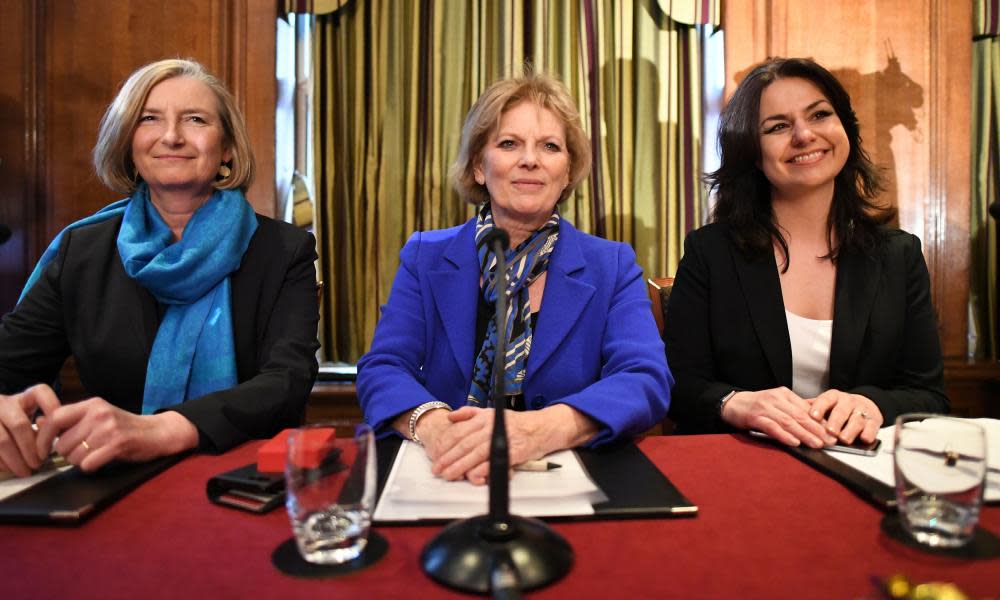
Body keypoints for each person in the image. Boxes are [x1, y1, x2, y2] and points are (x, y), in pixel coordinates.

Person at [0, 59, 320, 476]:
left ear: (227, 148)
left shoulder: (284, 249)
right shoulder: (82, 251)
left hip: (244, 477)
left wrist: (160, 430)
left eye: (195, 119)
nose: (171, 136)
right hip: (109, 482)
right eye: (150, 118)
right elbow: (10, 367)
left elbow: (287, 383)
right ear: (129, 144)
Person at [358, 72, 671, 485]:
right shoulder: (424, 255)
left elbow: (645, 378)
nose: (530, 159)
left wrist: (542, 429)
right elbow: (383, 368)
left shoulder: (611, 264)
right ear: (478, 166)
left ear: (568, 171)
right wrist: (435, 427)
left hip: (568, 472)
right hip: (448, 472)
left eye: (550, 146)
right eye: (509, 144)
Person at [664, 57, 947, 449]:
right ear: (751, 152)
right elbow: (678, 386)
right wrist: (736, 403)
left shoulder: (899, 255)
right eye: (778, 126)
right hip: (747, 467)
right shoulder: (709, 251)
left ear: (845, 128)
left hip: (863, 466)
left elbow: (930, 396)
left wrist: (871, 403)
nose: (804, 135)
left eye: (819, 115)